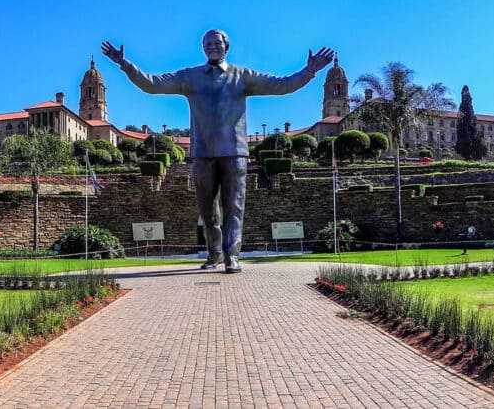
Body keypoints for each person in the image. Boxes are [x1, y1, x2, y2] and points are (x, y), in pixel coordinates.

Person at [102, 30, 334, 273]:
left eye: (217, 43)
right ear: (203, 47)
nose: (212, 47)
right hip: (202, 153)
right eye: (208, 43)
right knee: (207, 209)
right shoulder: (189, 77)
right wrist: (124, 63)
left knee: (234, 206)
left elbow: (282, 85)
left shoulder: (243, 76)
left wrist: (309, 71)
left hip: (235, 151)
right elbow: (151, 84)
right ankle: (214, 253)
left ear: (226, 47)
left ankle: (232, 255)